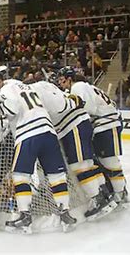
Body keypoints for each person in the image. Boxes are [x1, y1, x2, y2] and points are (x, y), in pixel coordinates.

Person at [31, 80, 117, 220]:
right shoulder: (48, 88)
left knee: (80, 165)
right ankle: (104, 193)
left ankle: (97, 199)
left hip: (73, 126)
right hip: (80, 124)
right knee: (88, 163)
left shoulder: (37, 91)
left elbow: (58, 108)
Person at [0, 79, 77, 234]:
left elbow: (12, 109)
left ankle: (25, 216)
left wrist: (2, 107)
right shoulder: (32, 89)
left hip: (27, 133)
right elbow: (57, 107)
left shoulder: (7, 89)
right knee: (57, 176)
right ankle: (65, 213)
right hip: (49, 132)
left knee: (20, 175)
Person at [58, 67, 129, 209]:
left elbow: (89, 109)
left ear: (69, 79)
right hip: (104, 126)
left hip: (105, 126)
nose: (60, 83)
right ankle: (118, 191)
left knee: (110, 162)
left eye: (62, 80)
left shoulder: (78, 86)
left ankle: (120, 194)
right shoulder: (85, 86)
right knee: (105, 162)